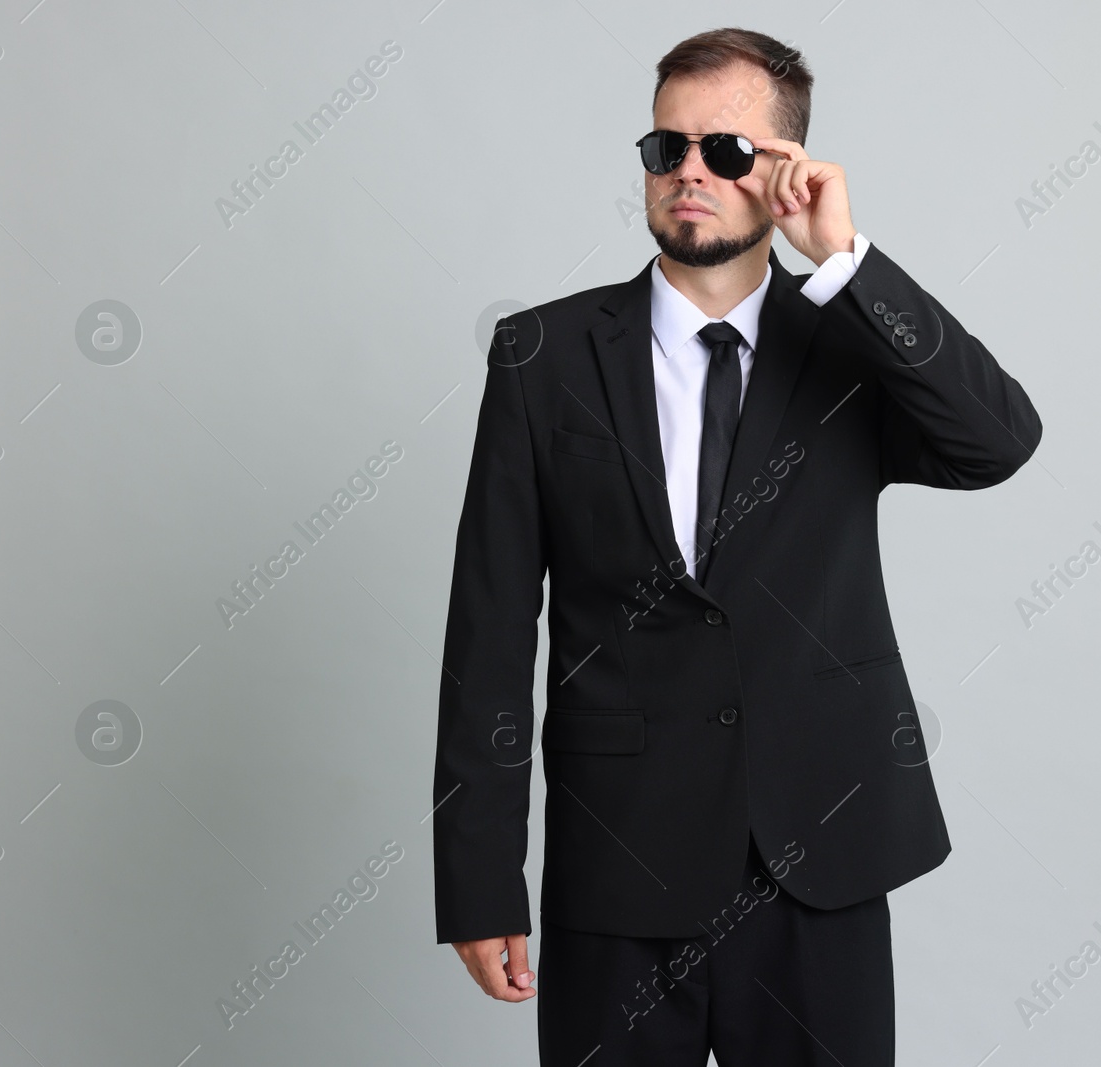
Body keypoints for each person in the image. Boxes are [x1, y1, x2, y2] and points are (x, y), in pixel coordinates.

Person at [433, 26, 1043, 1065]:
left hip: (820, 847)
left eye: (724, 151)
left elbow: (998, 439)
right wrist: (481, 876)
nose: (687, 173)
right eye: (665, 148)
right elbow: (489, 629)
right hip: (618, 860)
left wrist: (847, 260)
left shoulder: (850, 346)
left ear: (787, 171)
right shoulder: (542, 355)